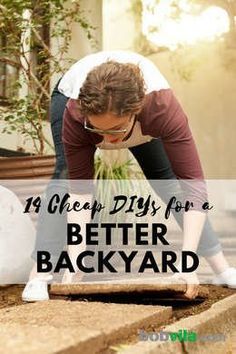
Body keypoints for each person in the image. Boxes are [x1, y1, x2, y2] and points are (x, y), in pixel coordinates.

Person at [22, 50, 236, 302]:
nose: (107, 139)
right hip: (73, 94)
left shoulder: (161, 109)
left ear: (137, 111)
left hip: (137, 112)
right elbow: (80, 193)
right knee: (64, 179)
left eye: (115, 129)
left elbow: (194, 191)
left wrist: (188, 263)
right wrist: (76, 259)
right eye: (98, 129)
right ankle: (39, 274)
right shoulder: (76, 112)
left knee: (170, 185)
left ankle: (221, 268)